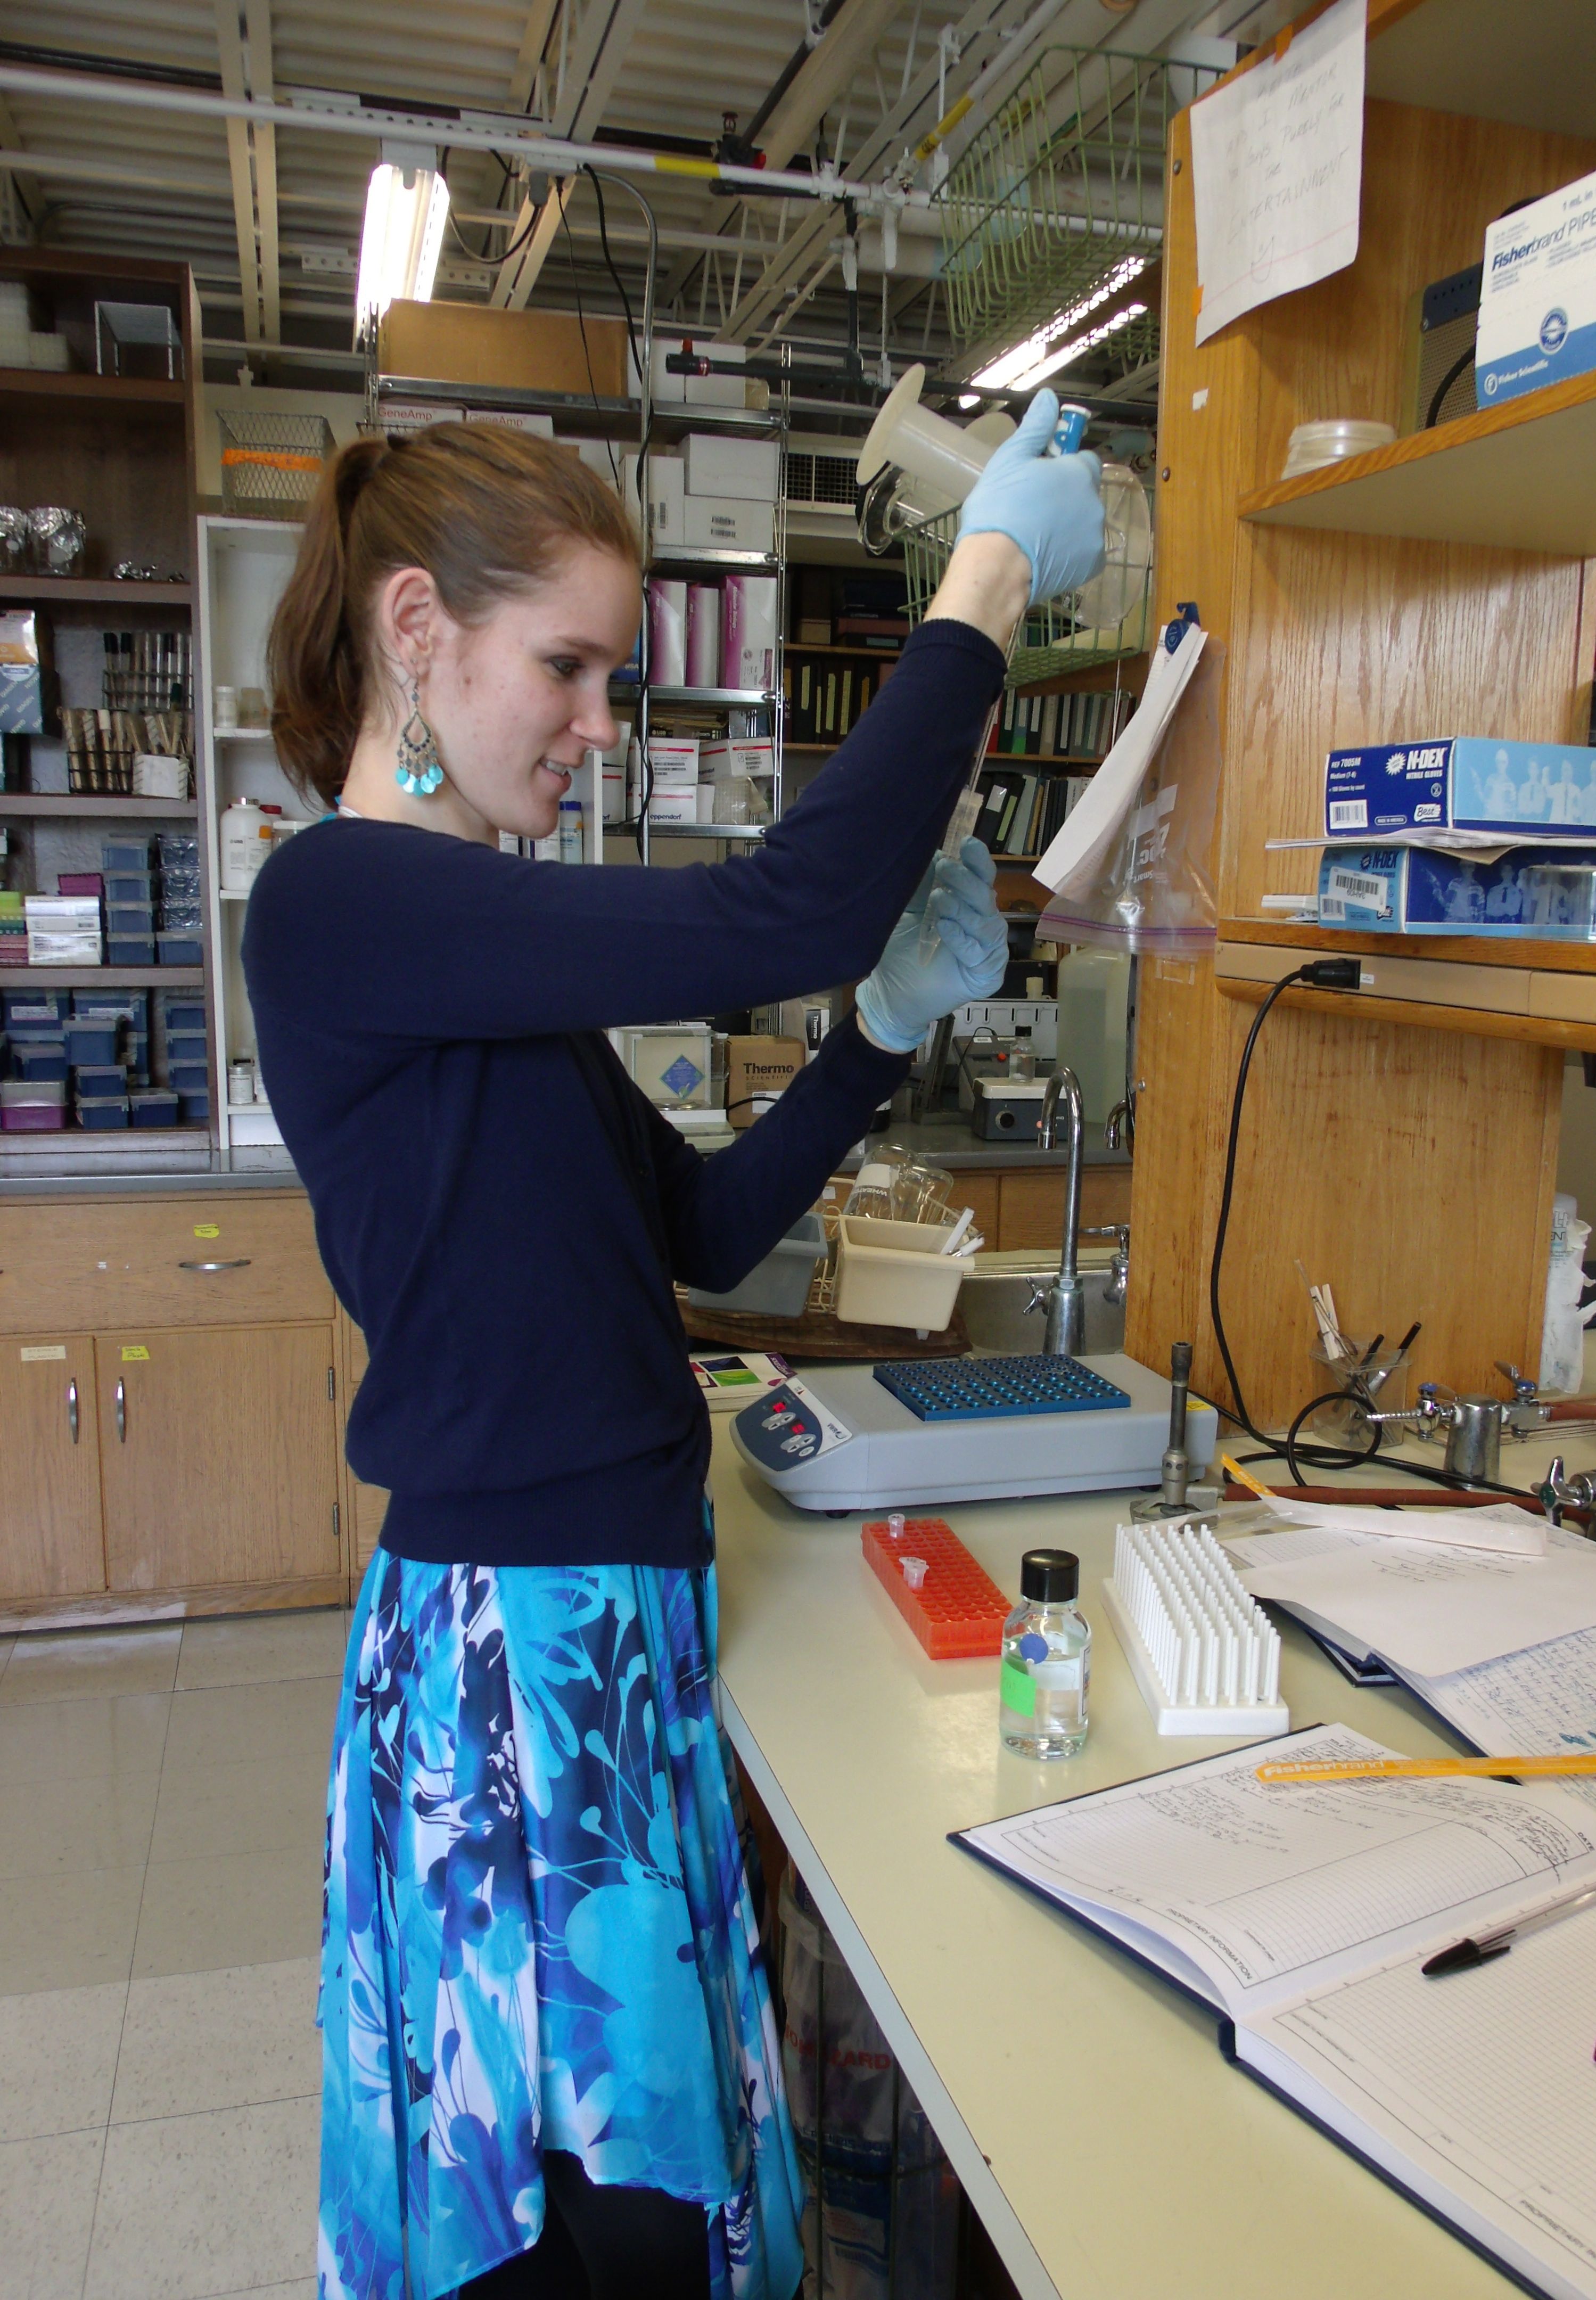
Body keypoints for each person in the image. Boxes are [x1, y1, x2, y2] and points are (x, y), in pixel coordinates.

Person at [244, 401, 1104, 2300]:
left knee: (630, 2204)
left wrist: (881, 1029)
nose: (598, 722)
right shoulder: (339, 903)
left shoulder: (487, 967)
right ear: (415, 635)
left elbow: (704, 1235)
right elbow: (765, 909)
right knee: (584, 2228)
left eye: (610, 676)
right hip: (514, 1666)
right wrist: (984, 584)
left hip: (605, 1634)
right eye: (563, 665)